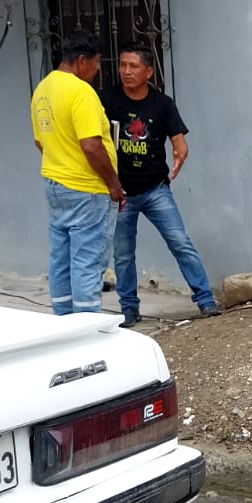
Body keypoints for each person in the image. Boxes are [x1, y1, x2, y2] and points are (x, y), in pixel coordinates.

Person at [101, 42, 219, 327]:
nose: (126, 71)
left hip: (155, 189)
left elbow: (180, 142)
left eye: (134, 66)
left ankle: (206, 300)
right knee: (123, 255)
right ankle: (129, 309)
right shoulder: (106, 100)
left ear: (149, 72)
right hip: (120, 193)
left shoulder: (162, 104)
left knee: (180, 242)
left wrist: (180, 154)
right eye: (122, 65)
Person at [31, 29, 123, 316]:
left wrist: (62, 161)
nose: (96, 71)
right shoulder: (81, 92)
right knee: (87, 260)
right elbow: (91, 145)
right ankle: (86, 325)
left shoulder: (43, 89)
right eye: (96, 64)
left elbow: (40, 142)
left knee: (61, 258)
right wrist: (113, 185)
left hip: (55, 184)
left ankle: (64, 320)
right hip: (87, 188)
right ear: (82, 61)